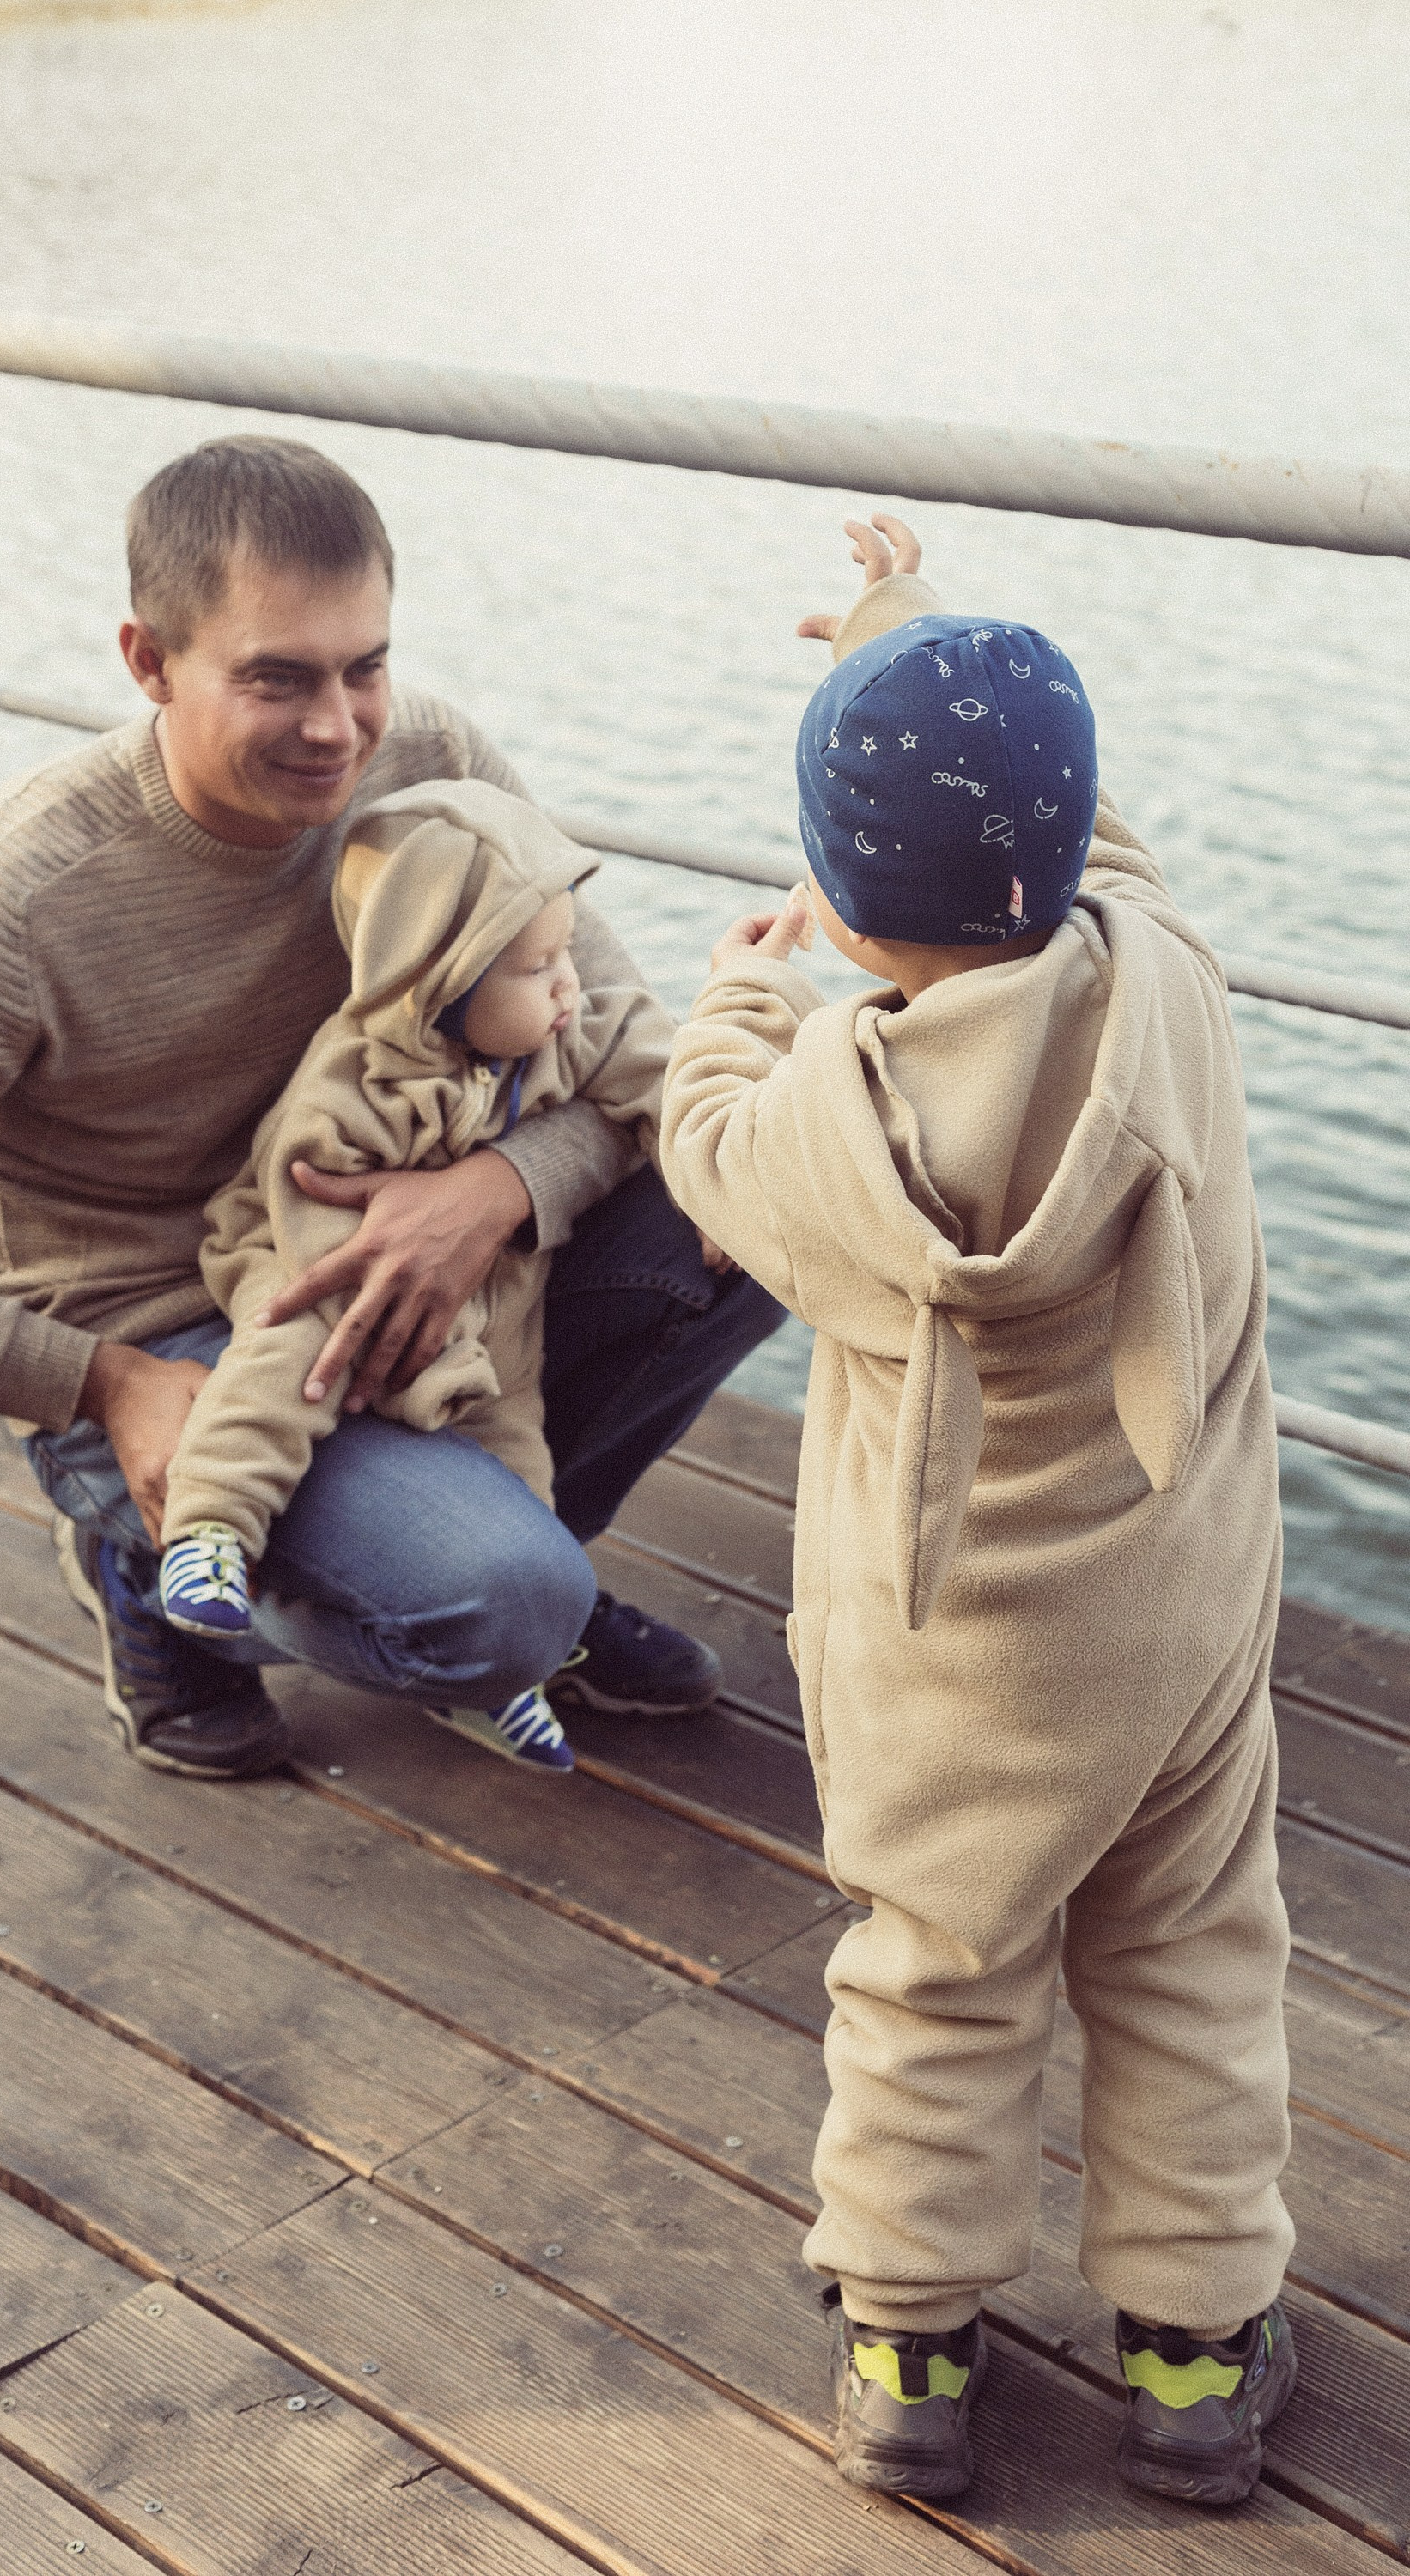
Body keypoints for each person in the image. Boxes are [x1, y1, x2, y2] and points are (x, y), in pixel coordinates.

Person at [0, 434, 783, 1782]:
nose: (339, 728)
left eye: (366, 667)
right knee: (494, 1603)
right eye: (277, 677)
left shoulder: (435, 767)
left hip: (419, 1258)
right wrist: (104, 1385)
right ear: (149, 661)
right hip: (162, 1334)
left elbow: (624, 1040)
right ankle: (167, 1574)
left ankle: (523, 1570)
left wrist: (497, 1191)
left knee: (751, 1194)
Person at [659, 513, 1294, 2507]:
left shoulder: (823, 1127)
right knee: (1187, 1951)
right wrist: (899, 616)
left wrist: (739, 996)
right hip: (1171, 1627)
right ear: (1070, 839)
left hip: (942, 1661)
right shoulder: (1166, 988)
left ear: (844, 908)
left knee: (931, 1968)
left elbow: (697, 1142)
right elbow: (1091, 841)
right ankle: (1192, 2359)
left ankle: (907, 2342)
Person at [158, 775, 667, 1777]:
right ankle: (207, 1527)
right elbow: (305, 1200)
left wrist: (701, 1158)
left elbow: (659, 1064)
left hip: (487, 1317)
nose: (568, 983)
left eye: (563, 953)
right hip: (328, 1278)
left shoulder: (560, 1033)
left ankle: (497, 1674)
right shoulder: (358, 1079)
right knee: (282, 1366)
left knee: (517, 1469)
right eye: (535, 966)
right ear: (442, 982)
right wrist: (402, 1352)